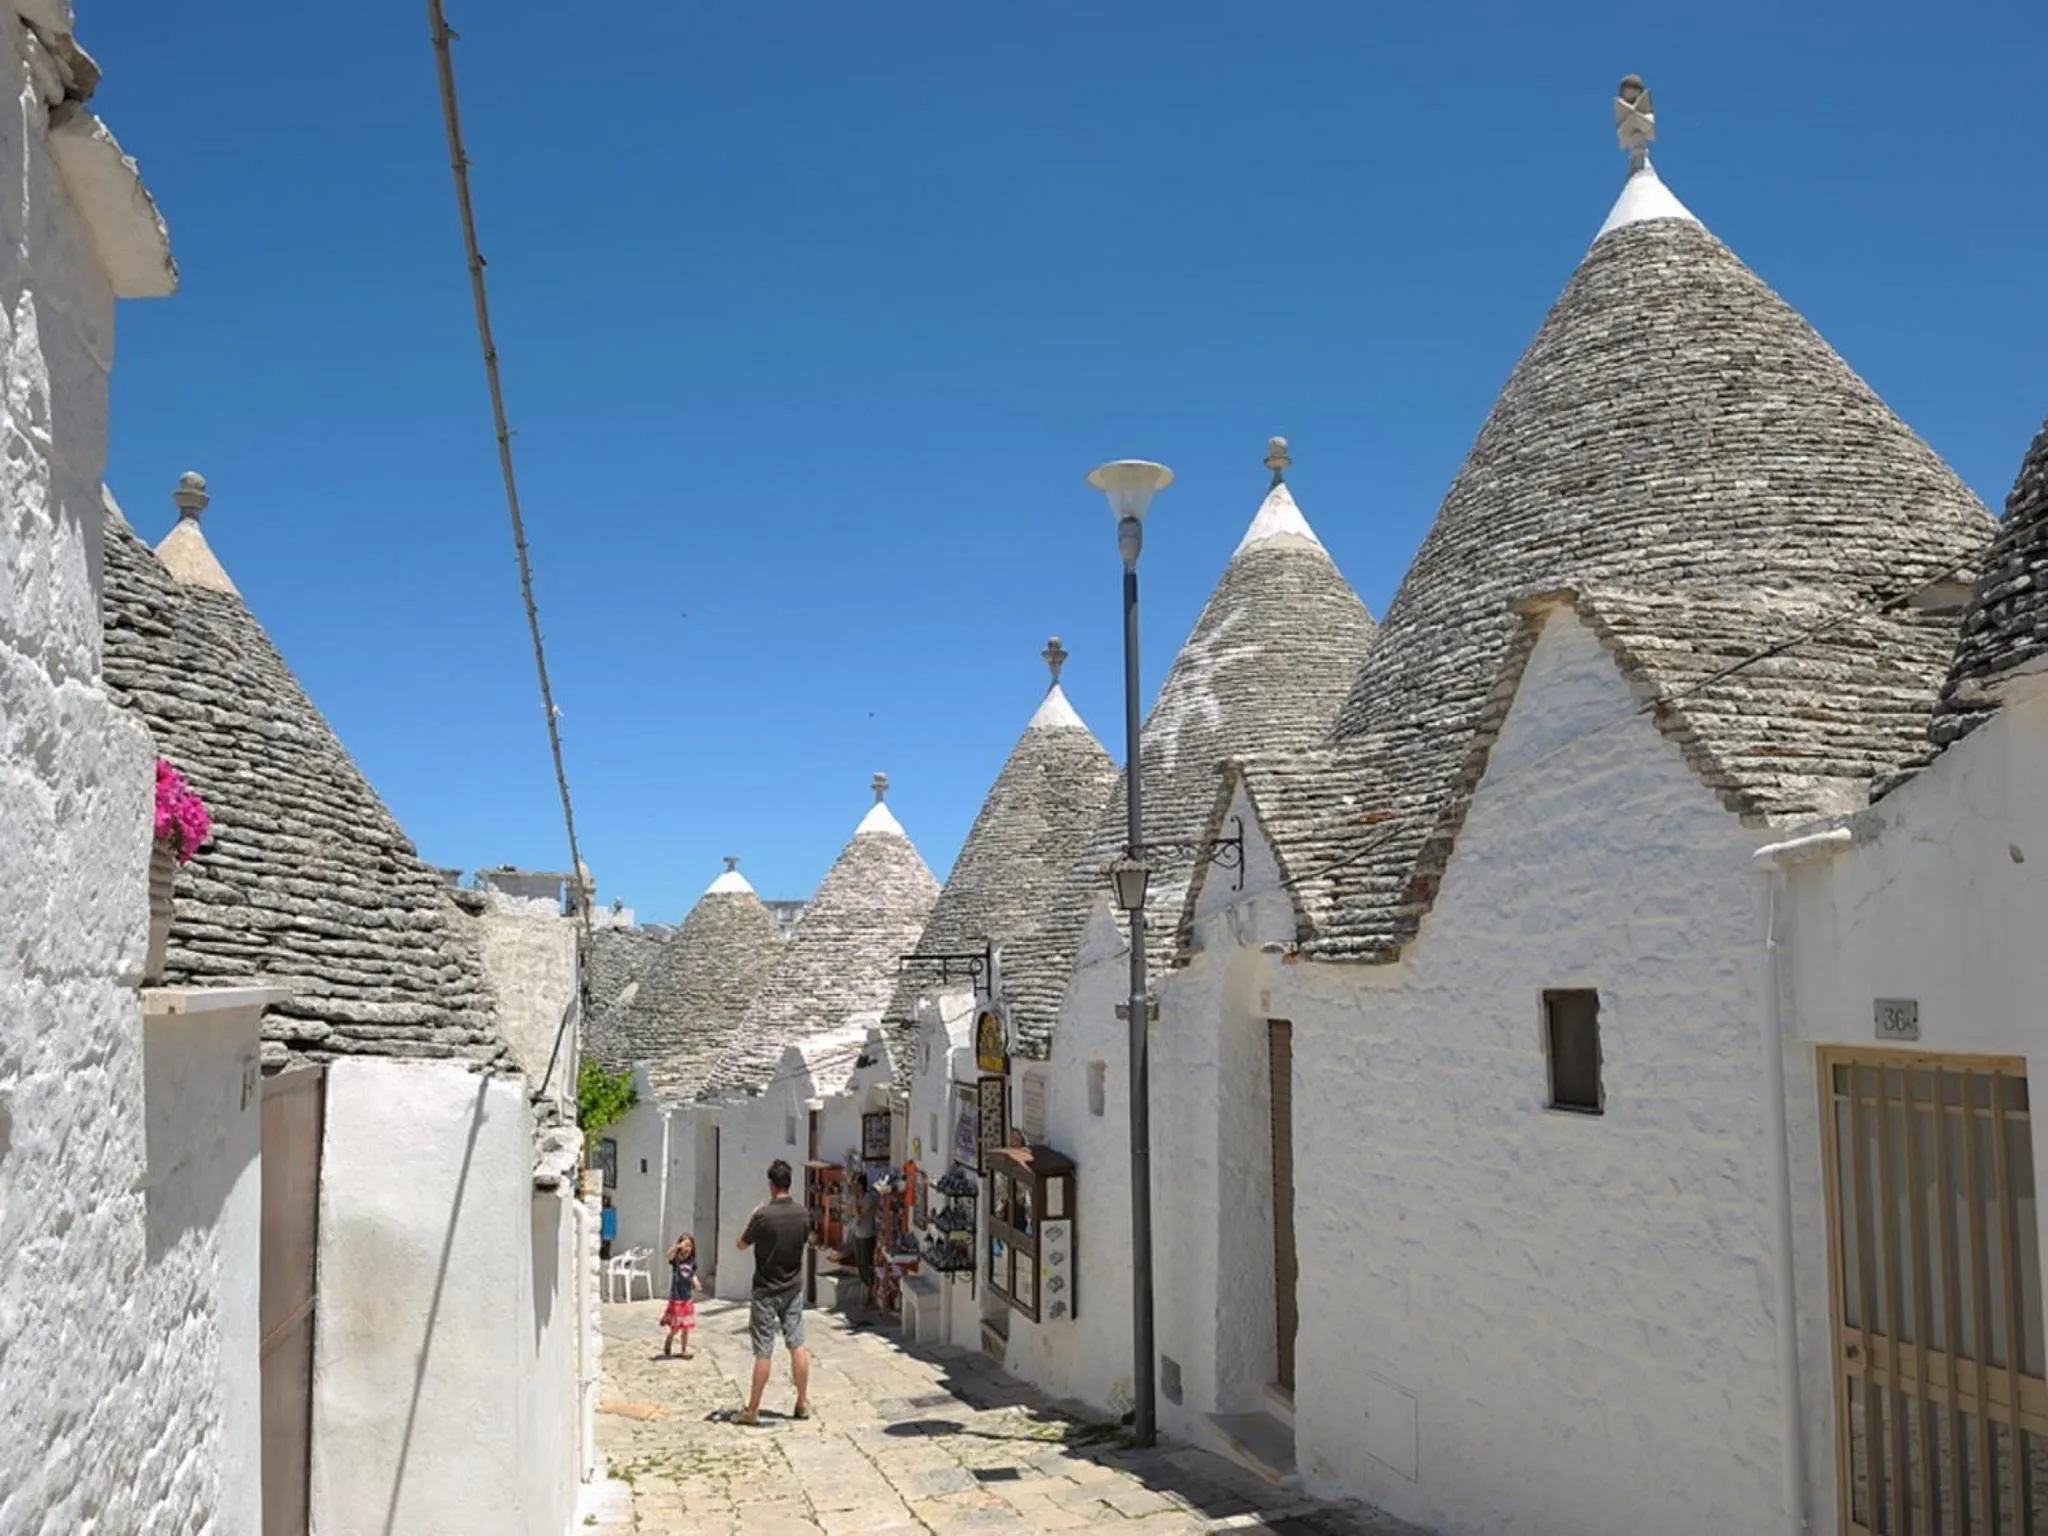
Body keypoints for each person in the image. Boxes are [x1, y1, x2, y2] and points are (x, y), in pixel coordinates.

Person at [734, 1158, 810, 1426]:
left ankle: (752, 1409)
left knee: (764, 1351)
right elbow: (806, 1240)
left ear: (771, 1184)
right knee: (797, 1344)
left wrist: (753, 1217)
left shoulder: (763, 1216)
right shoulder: (803, 1214)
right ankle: (802, 1402)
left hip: (766, 1289)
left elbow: (741, 1244)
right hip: (792, 1287)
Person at [660, 1234, 697, 1359]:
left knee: (686, 1326)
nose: (687, 1248)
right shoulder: (676, 1260)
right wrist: (677, 1247)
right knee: (676, 1325)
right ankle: (670, 1337)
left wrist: (696, 1282)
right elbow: (668, 1255)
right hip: (677, 1297)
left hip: (687, 1297)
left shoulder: (692, 1261)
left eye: (690, 1245)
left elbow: (692, 1274)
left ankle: (684, 1349)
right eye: (685, 1245)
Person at [851, 1173, 878, 1310]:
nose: (855, 1187)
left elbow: (861, 1215)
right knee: (860, 1263)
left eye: (857, 1184)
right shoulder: (859, 1198)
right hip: (858, 1234)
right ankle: (864, 1291)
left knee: (867, 1263)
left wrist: (855, 1201)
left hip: (867, 1235)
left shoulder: (867, 1198)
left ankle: (869, 1294)